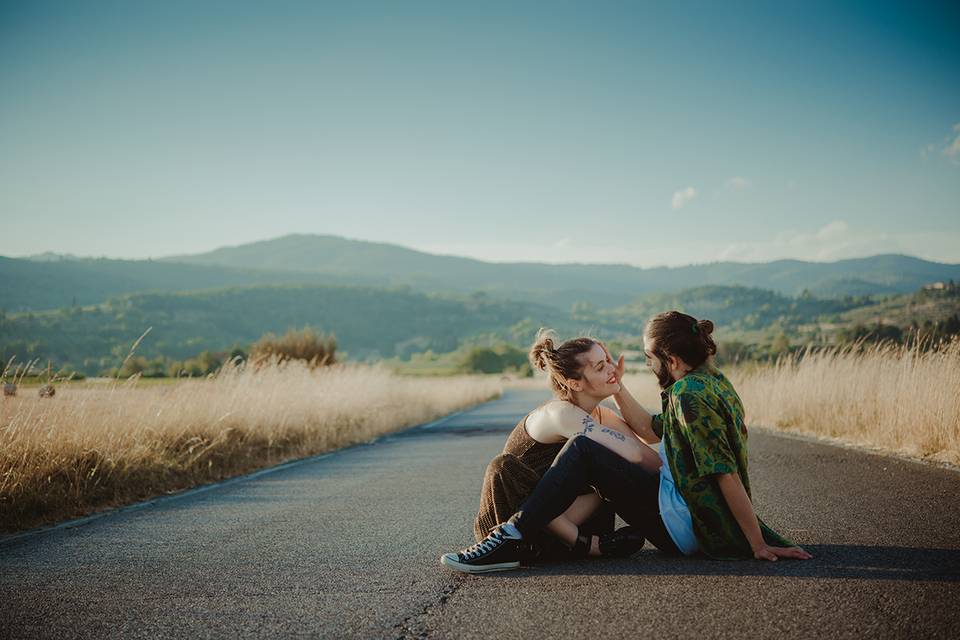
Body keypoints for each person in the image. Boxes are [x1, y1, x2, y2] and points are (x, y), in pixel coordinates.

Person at [441, 312, 812, 573]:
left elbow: (717, 470)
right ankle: (523, 535)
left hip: (681, 518)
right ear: (573, 382)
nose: (636, 366)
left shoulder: (689, 396)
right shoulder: (709, 383)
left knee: (586, 450)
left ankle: (513, 534)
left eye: (649, 359)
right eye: (601, 366)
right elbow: (649, 436)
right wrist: (620, 394)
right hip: (659, 510)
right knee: (588, 450)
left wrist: (755, 542)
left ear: (670, 359)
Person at [467, 330, 661, 568]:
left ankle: (582, 545)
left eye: (608, 361)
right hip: (517, 518)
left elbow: (651, 460)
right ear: (573, 383)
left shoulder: (601, 415)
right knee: (505, 466)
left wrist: (617, 386)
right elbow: (633, 454)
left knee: (607, 473)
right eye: (600, 367)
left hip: (566, 516)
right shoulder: (561, 413)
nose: (612, 369)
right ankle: (588, 546)